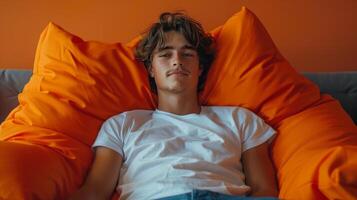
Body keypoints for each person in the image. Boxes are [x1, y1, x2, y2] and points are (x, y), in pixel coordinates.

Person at [70, 12, 278, 200]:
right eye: (165, 54)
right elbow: (95, 191)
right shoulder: (122, 125)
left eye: (187, 54)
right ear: (151, 69)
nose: (177, 61)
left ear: (200, 68)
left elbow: (264, 189)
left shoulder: (240, 119)